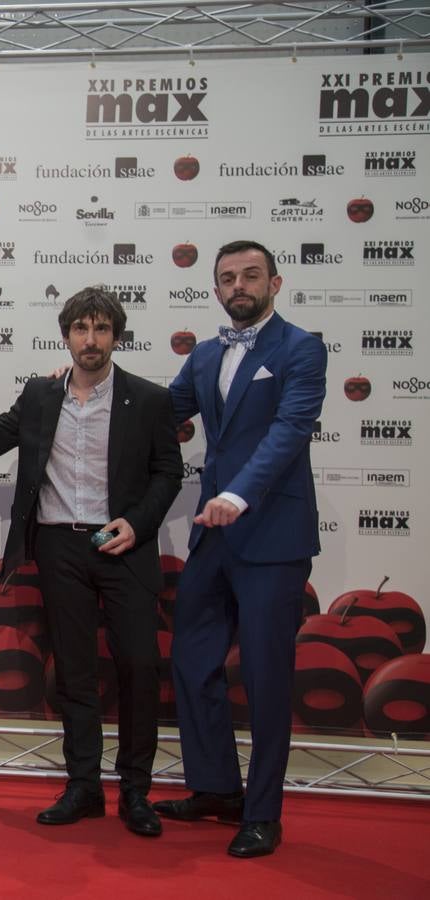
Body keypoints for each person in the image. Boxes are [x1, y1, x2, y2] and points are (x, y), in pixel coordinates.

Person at [0, 287, 182, 836]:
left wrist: (137, 523)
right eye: (81, 329)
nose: (91, 341)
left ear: (117, 336)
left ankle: (136, 791)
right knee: (75, 673)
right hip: (60, 547)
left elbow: (169, 473)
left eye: (102, 330)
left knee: (138, 667)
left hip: (125, 545)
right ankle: (83, 786)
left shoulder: (150, 399)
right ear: (66, 335)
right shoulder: (41, 395)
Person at [155, 240, 326, 858]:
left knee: (264, 675)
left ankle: (263, 812)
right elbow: (159, 414)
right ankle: (216, 789)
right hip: (214, 536)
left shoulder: (301, 348)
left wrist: (241, 495)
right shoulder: (204, 356)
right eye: (227, 278)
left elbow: (290, 431)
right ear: (216, 288)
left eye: (250, 275)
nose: (238, 286)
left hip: (271, 537)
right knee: (193, 664)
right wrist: (84, 384)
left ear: (274, 282)